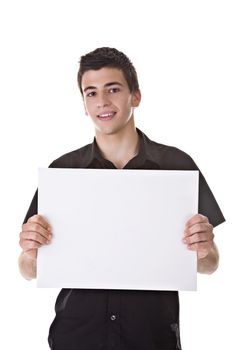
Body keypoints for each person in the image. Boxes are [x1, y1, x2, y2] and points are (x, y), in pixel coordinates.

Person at [18, 47, 225, 350]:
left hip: (151, 337)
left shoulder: (177, 165)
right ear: (84, 104)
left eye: (112, 89)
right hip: (76, 337)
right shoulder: (62, 171)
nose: (101, 101)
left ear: (135, 96)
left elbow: (210, 264)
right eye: (91, 93)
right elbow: (27, 269)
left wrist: (205, 249)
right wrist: (30, 251)